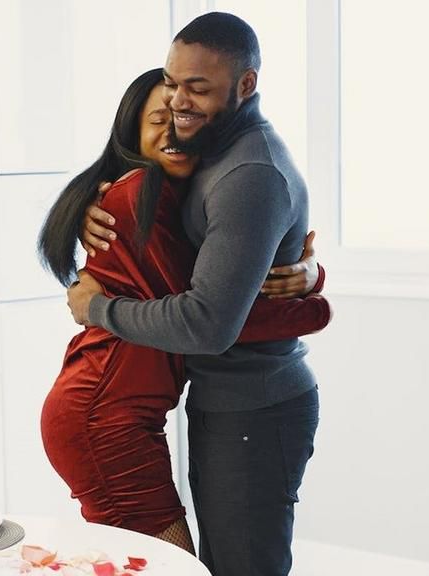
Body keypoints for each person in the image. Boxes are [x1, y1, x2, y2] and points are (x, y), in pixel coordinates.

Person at [68, 13, 321, 576]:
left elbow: (208, 322)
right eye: (172, 82)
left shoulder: (248, 174)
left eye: (198, 88)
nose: (179, 101)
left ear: (246, 84)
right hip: (224, 401)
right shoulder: (207, 150)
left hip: (255, 406)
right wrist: (98, 203)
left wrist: (97, 309)